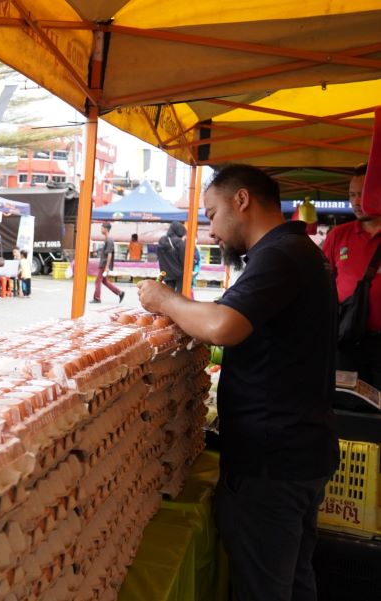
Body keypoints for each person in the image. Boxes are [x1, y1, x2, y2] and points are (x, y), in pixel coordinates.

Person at [138, 164, 338, 601]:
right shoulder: (299, 251)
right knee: (293, 579)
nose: (212, 232)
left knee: (264, 587)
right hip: (299, 450)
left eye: (211, 215)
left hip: (272, 461)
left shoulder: (281, 254)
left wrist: (164, 299)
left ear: (241, 201)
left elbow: (225, 326)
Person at [322, 164, 381, 386]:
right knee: (349, 408)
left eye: (362, 194)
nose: (356, 202)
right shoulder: (339, 235)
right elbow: (320, 284)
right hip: (347, 342)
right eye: (352, 195)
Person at [92, 222, 124, 304]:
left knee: (97, 281)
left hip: (104, 264)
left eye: (102, 228)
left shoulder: (109, 240)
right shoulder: (107, 239)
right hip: (103, 264)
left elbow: (109, 254)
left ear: (106, 229)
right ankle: (119, 293)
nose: (101, 229)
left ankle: (97, 298)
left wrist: (106, 267)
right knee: (104, 281)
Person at [157, 221, 186, 292]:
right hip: (179, 274)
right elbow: (183, 259)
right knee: (179, 296)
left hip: (166, 273)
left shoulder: (161, 241)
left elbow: (158, 256)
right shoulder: (179, 243)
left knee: (169, 294)